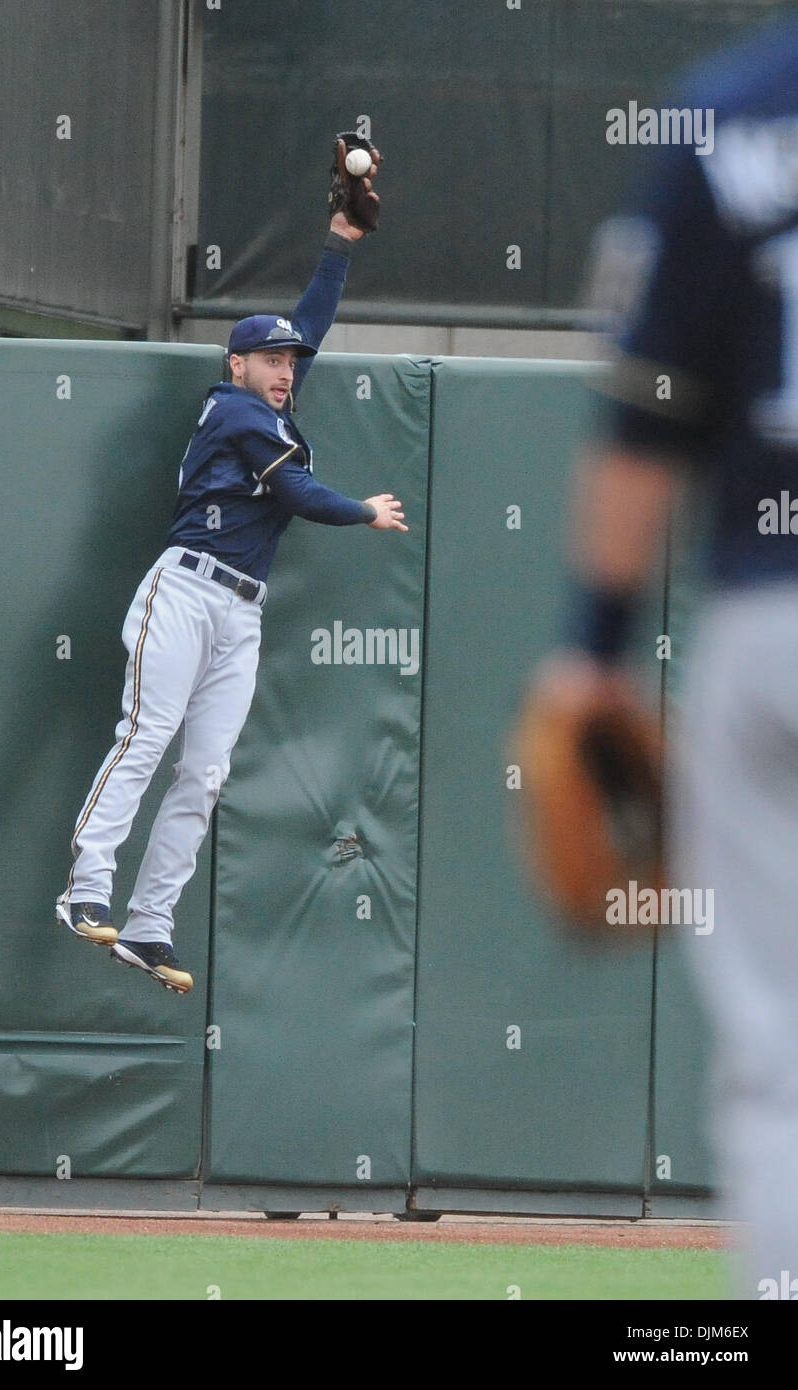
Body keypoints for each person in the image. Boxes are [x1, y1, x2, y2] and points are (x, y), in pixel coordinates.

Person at [526, 13, 798, 1298]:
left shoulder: (728, 112)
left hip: (768, 622)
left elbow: (642, 417)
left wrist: (589, 653)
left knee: (777, 1055)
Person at [55, 160, 407, 995]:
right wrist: (361, 510)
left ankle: (148, 926)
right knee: (144, 739)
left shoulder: (272, 400)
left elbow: (313, 318)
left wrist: (341, 242)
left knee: (205, 773)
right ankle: (84, 892)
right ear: (236, 362)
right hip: (182, 591)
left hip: (240, 613)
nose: (286, 367)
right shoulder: (234, 408)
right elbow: (294, 491)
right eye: (270, 357)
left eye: (291, 359)